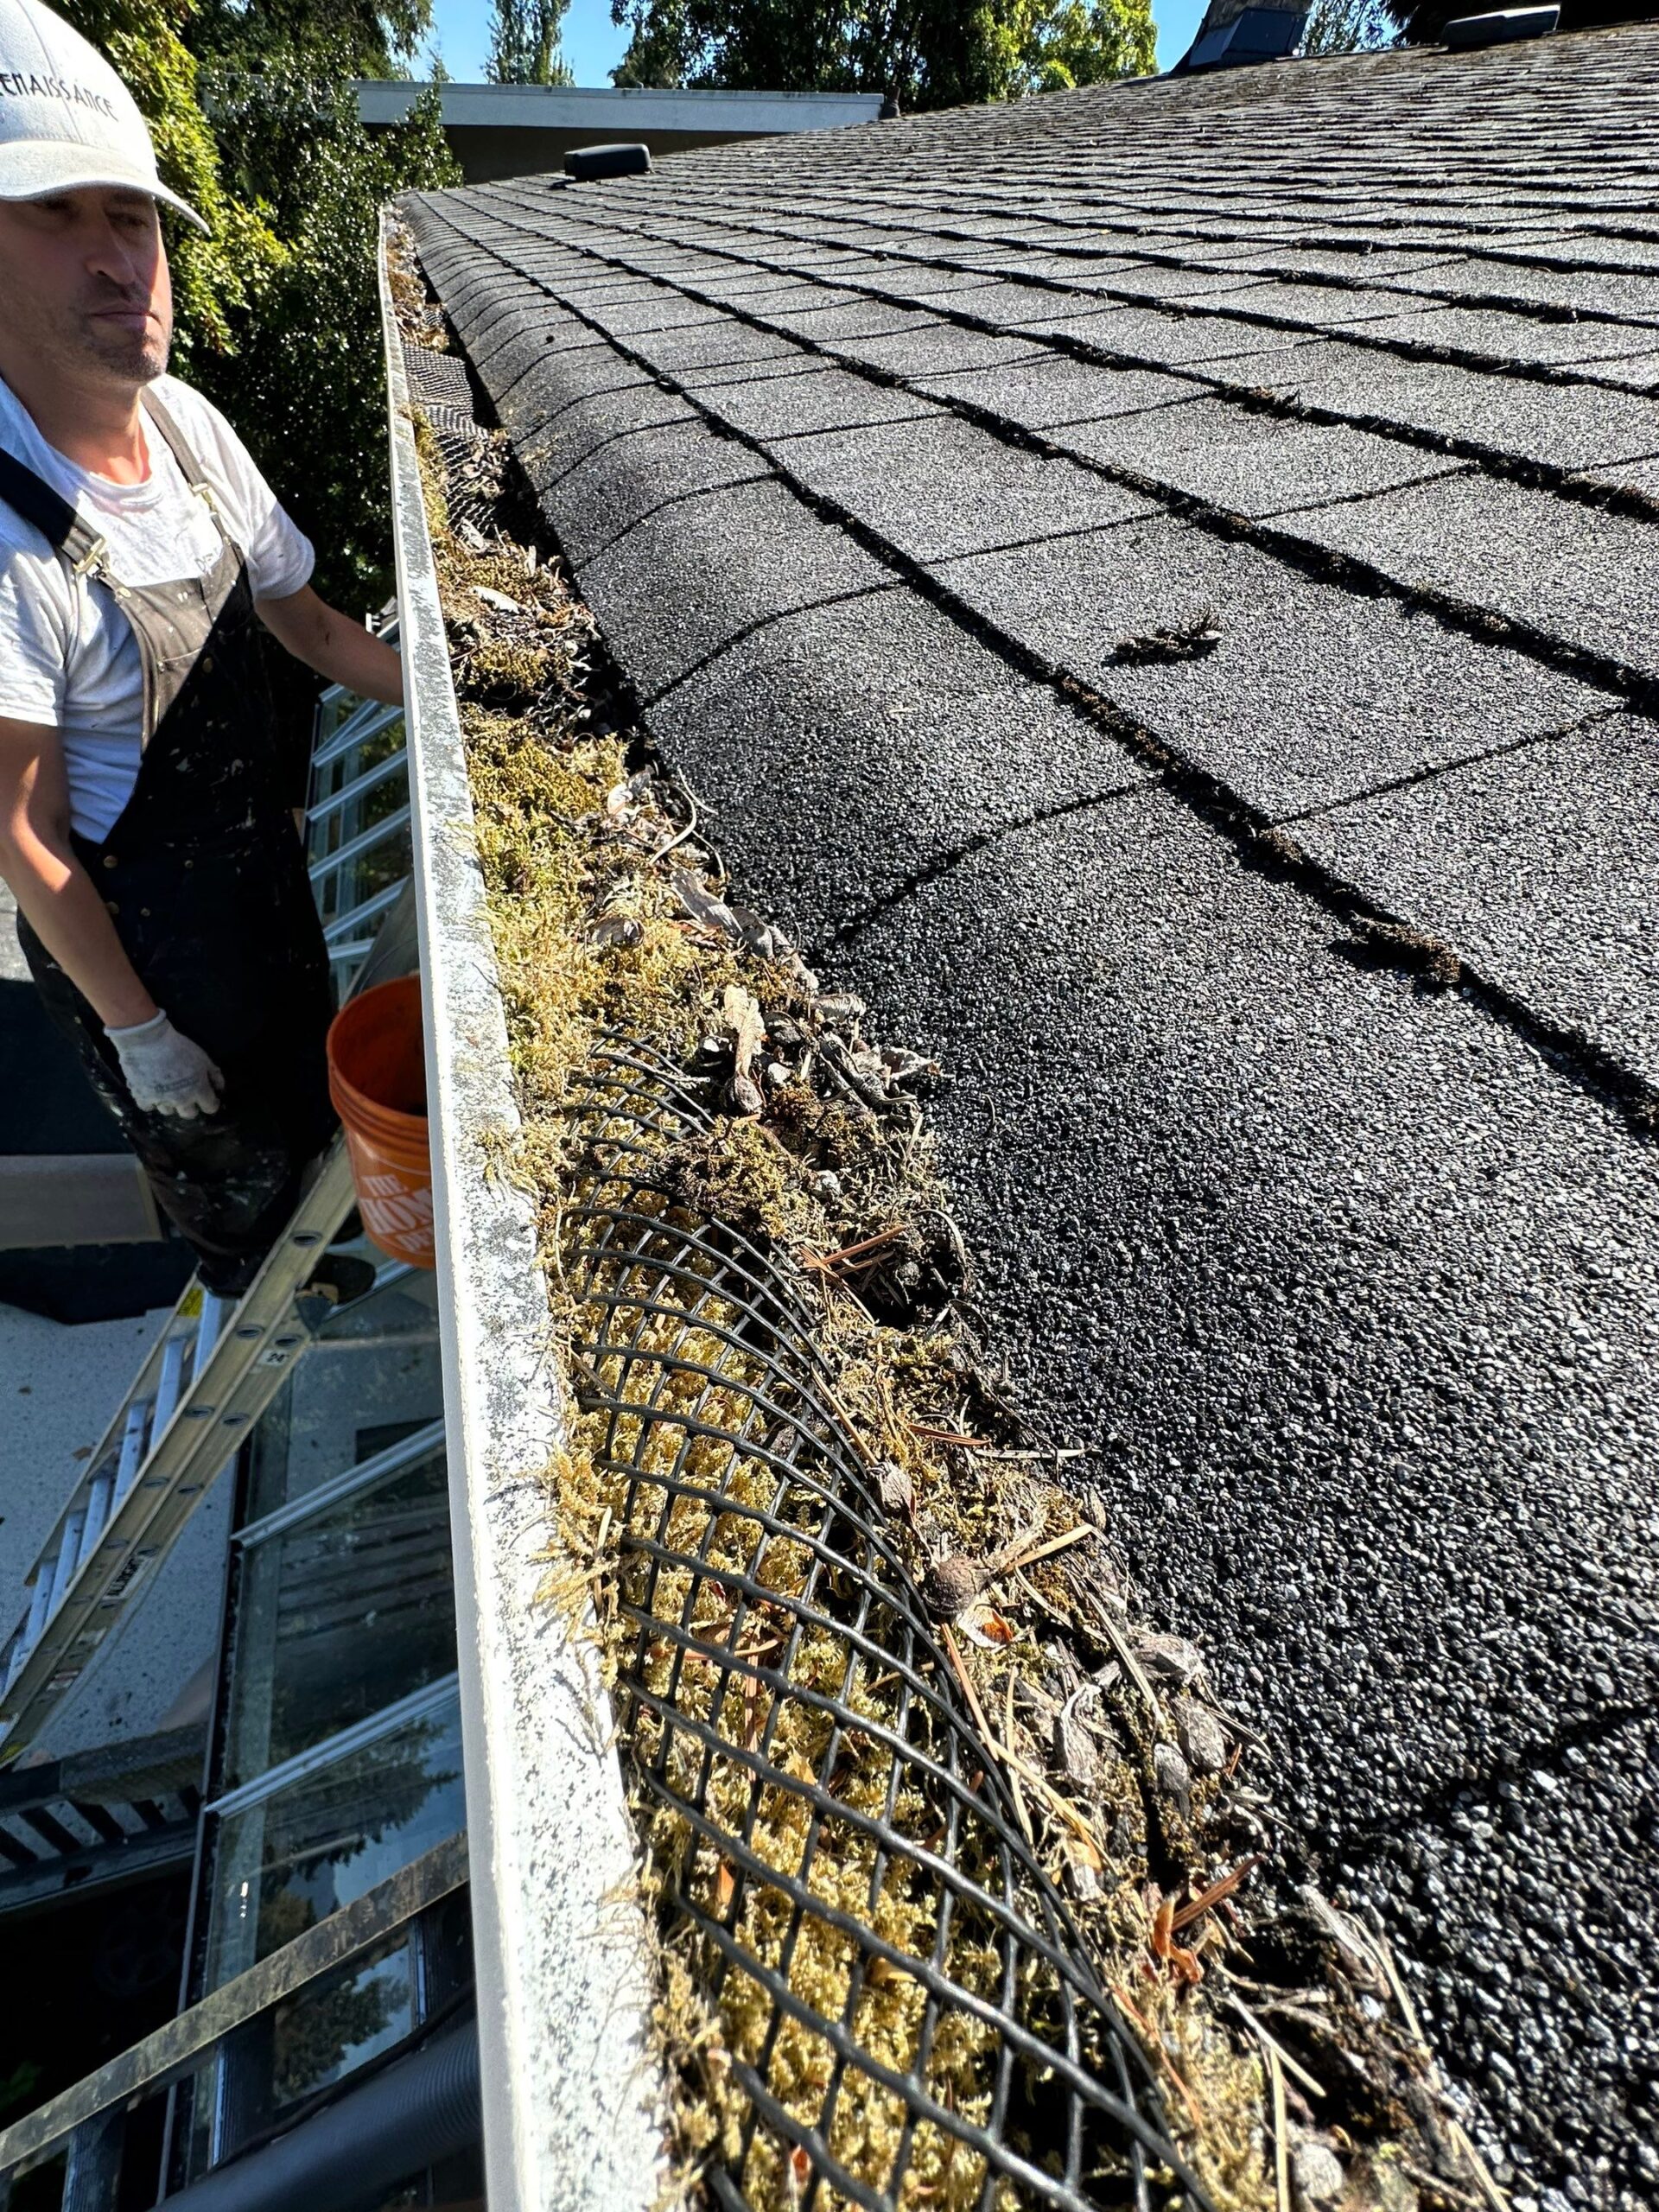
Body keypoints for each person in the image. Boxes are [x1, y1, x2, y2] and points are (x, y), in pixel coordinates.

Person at [0, 0, 403, 1300]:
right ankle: (258, 1289)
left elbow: (312, 624)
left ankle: (321, 1263)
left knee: (314, 1114)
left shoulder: (186, 427)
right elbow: (21, 832)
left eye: (133, 214)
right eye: (58, 215)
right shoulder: (6, 528)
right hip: (150, 951)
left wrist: (461, 699)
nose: (121, 258)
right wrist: (142, 1037)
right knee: (233, 1189)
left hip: (261, 884)